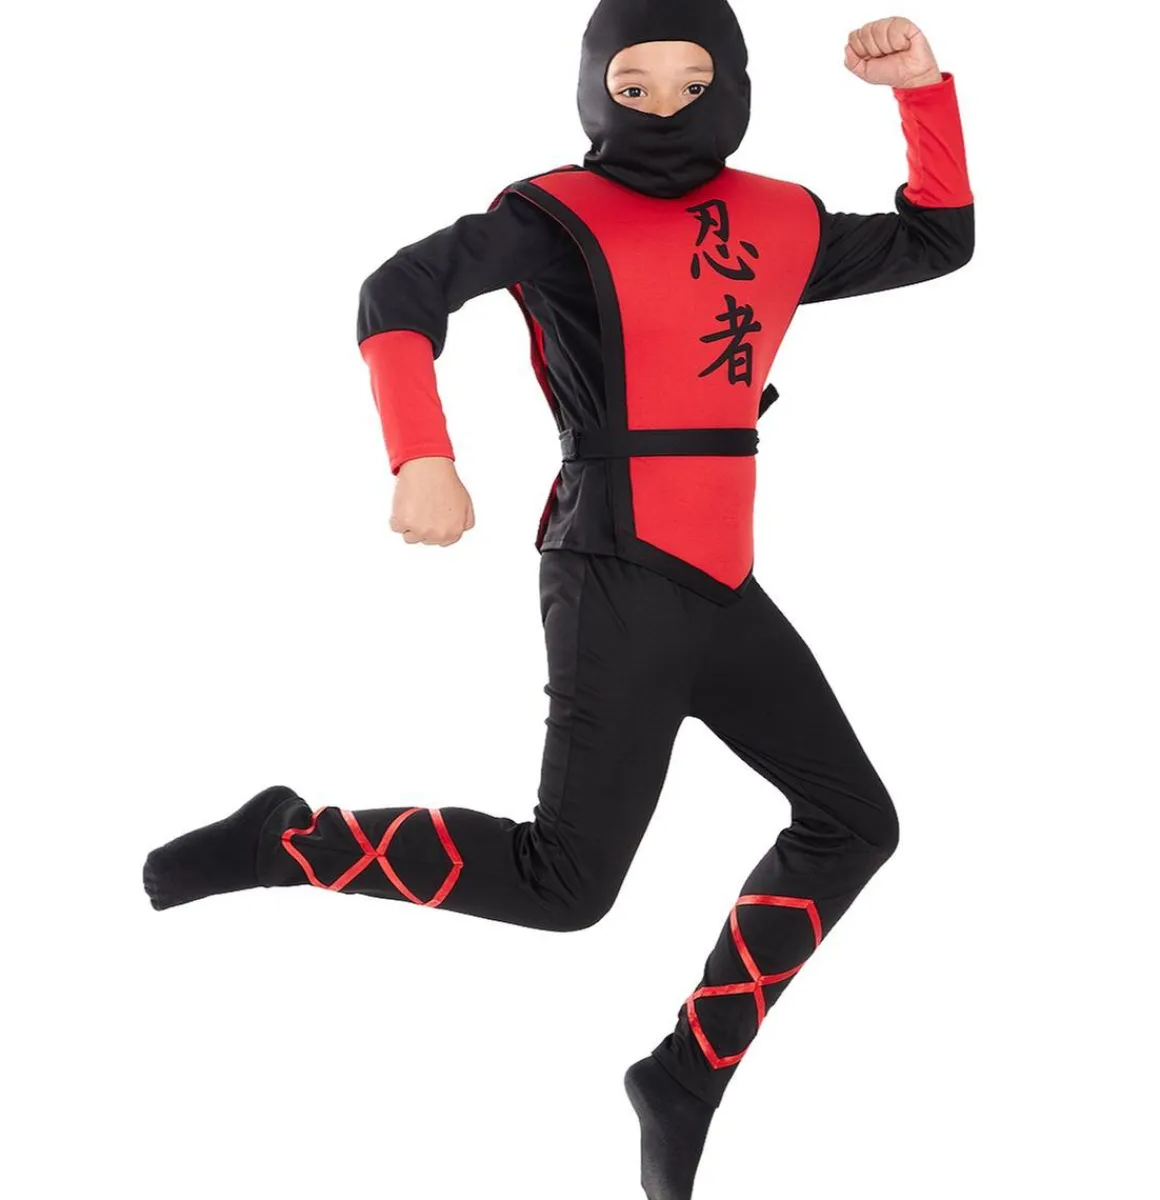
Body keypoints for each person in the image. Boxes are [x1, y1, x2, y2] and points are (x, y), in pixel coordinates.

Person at [142, 3, 974, 1197]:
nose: (666, 106)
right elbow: (397, 294)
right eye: (634, 85)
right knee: (566, 887)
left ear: (736, 85)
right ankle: (286, 840)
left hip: (722, 584)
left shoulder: (781, 217)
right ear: (593, 91)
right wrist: (421, 453)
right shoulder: (554, 214)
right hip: (612, 570)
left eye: (693, 80)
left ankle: (683, 1075)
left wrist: (923, 92)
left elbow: (938, 238)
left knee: (855, 822)